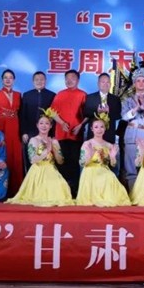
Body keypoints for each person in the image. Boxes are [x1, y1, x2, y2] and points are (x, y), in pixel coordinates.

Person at [6, 111, 74, 207]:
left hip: (51, 170)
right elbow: (33, 159)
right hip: (37, 172)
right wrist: (47, 149)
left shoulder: (53, 140)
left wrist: (55, 148)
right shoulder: (34, 140)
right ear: (37, 125)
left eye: (47, 123)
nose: (44, 126)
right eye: (41, 123)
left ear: (50, 126)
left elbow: (60, 161)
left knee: (61, 189)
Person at [75, 115, 130, 207]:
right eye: (96, 127)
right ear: (92, 129)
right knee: (106, 177)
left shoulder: (109, 145)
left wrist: (112, 157)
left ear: (105, 128)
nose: (99, 129)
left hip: (104, 170)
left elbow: (113, 164)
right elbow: (82, 163)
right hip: (90, 171)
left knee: (110, 177)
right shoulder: (87, 143)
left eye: (102, 127)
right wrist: (90, 155)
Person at [50, 69, 87, 198]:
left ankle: (75, 191)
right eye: (67, 78)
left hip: (76, 135)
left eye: (72, 78)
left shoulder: (82, 95)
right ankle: (62, 191)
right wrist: (61, 123)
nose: (69, 80)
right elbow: (52, 112)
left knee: (75, 162)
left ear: (78, 80)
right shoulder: (60, 94)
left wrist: (80, 125)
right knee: (61, 162)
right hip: (61, 134)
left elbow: (88, 114)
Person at [121, 66, 144, 191]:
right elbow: (124, 117)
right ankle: (132, 193)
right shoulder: (127, 100)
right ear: (134, 83)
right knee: (131, 165)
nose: (141, 83)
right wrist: (136, 107)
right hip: (131, 133)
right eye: (138, 80)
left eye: (143, 81)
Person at [0, 69, 23, 196]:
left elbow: (21, 114)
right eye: (5, 77)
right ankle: (0, 190)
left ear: (14, 80)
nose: (8, 80)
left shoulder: (18, 95)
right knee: (3, 155)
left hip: (15, 128)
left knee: (16, 158)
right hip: (1, 129)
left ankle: (16, 190)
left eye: (10, 77)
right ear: (2, 80)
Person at [20, 71, 56, 172]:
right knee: (31, 158)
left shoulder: (52, 95)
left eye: (41, 79)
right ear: (33, 81)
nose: (39, 81)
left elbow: (54, 117)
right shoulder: (27, 95)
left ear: (45, 81)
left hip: (46, 132)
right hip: (30, 132)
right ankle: (30, 178)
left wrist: (53, 134)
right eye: (37, 80)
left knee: (46, 157)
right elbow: (23, 115)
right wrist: (24, 132)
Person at [83, 72, 122, 145]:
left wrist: (109, 112)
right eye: (103, 82)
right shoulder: (90, 97)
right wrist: (97, 112)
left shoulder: (116, 99)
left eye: (108, 82)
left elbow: (118, 116)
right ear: (98, 83)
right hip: (93, 135)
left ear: (110, 84)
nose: (105, 84)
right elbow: (86, 113)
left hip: (109, 134)